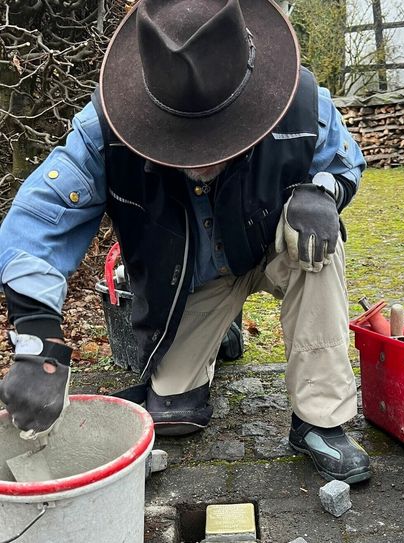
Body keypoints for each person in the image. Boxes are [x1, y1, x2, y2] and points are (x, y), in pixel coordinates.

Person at [0, 0, 371, 484]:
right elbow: (36, 220)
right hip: (190, 278)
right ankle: (222, 330)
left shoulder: (299, 99)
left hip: (271, 247)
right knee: (176, 411)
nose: (202, 153)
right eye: (183, 136)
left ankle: (321, 421)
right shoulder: (104, 130)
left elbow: (344, 160)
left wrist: (323, 193)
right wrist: (37, 344)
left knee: (319, 245)